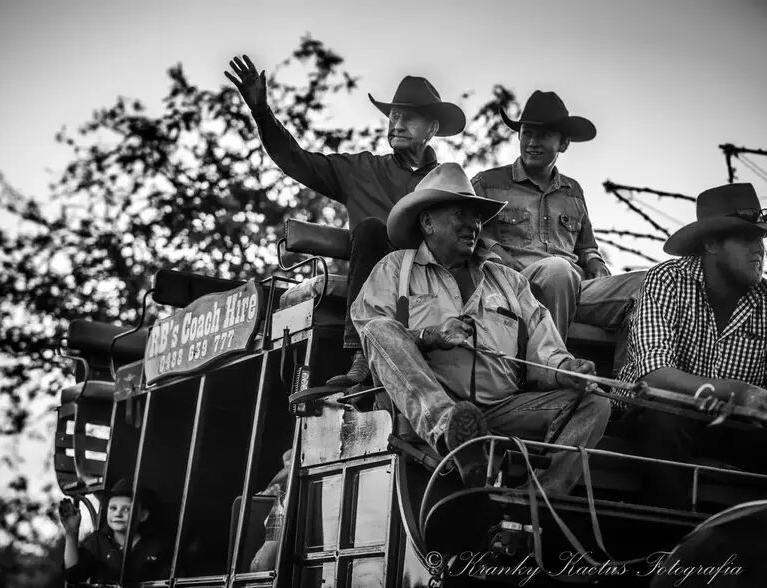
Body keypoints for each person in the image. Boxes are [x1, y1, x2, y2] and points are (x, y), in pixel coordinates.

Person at [351, 162, 610, 493]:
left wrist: (566, 369)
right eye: (461, 214)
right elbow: (371, 333)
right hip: (425, 409)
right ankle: (452, 435)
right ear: (427, 222)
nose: (473, 225)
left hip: (502, 409)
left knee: (595, 402)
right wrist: (428, 336)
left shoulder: (508, 281)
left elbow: (545, 349)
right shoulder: (395, 269)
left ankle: (540, 498)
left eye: (477, 217)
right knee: (379, 329)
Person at [224, 55, 466, 387]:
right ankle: (362, 354)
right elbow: (295, 161)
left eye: (409, 118)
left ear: (432, 129)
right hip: (382, 286)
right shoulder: (361, 169)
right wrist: (262, 113)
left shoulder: (448, 182)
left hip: (434, 285)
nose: (397, 124)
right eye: (394, 115)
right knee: (369, 229)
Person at [617, 183, 767, 509]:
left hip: (732, 425)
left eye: (761, 239)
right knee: (665, 420)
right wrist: (738, 392)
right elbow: (653, 375)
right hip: (657, 414)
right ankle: (666, 550)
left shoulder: (766, 302)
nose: (759, 249)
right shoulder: (666, 279)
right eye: (746, 238)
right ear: (711, 243)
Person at [471, 90, 643, 363]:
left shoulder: (573, 191)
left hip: (573, 289)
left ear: (563, 144)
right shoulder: (488, 183)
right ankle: (549, 369)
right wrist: (505, 262)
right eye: (527, 133)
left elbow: (587, 248)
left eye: (543, 135)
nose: (532, 142)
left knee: (648, 283)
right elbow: (476, 241)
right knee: (557, 270)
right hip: (515, 287)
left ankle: (625, 388)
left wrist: (596, 263)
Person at [59, 479, 170, 584]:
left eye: (126, 509)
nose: (118, 513)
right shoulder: (97, 541)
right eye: (113, 508)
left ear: (143, 515)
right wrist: (71, 533)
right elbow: (73, 575)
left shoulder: (157, 547)